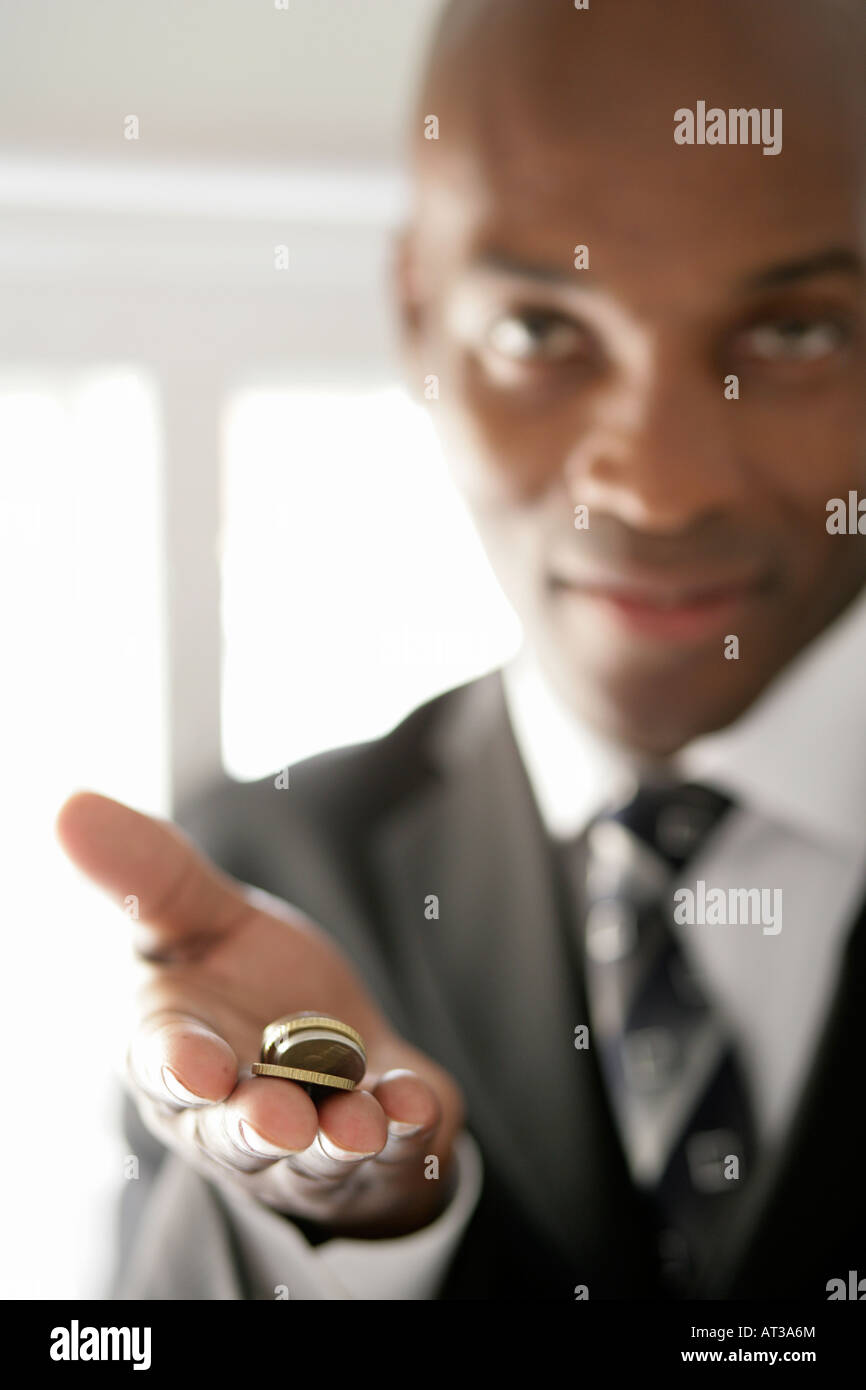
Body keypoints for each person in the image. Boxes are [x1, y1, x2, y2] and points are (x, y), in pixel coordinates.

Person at [56, 0, 866, 1300]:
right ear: (419, 316)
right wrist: (341, 1239)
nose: (654, 488)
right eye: (541, 332)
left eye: (793, 334)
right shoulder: (258, 883)